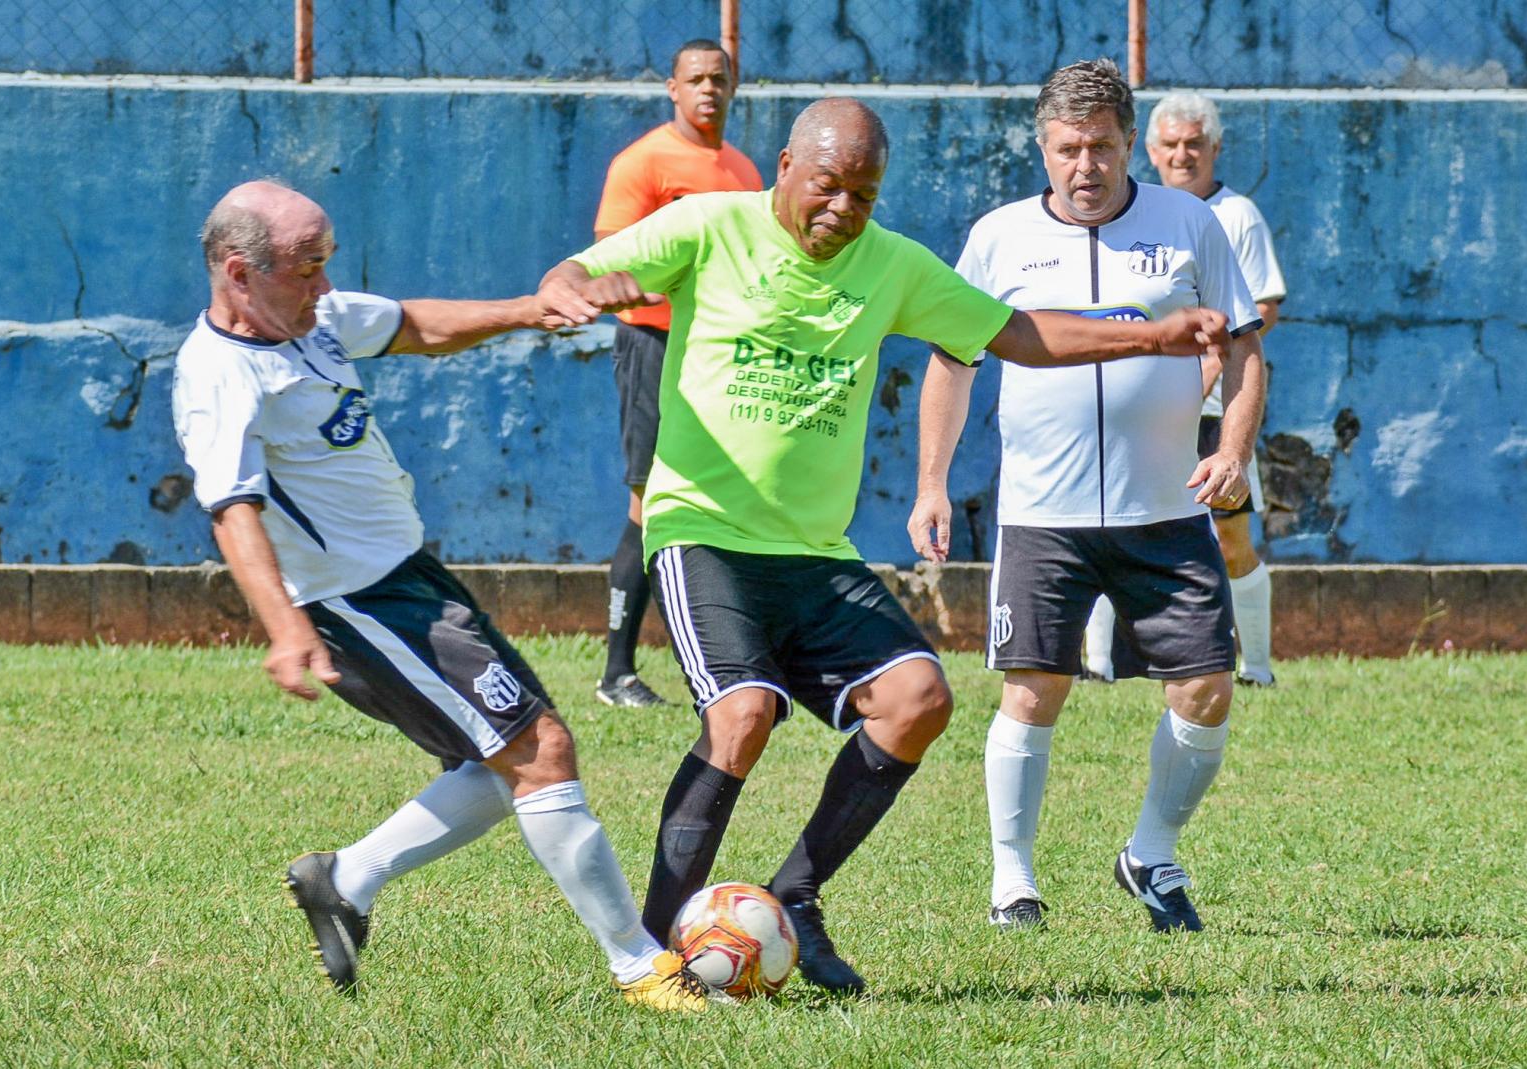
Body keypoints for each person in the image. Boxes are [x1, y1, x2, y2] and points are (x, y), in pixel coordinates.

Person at [537, 97, 1230, 993]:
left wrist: (1156, 332)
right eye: (827, 187)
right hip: (703, 529)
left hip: (816, 551)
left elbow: (1015, 333)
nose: (842, 211)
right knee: (742, 716)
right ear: (785, 163)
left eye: (863, 196)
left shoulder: (892, 263)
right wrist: (568, 291)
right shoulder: (708, 228)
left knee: (918, 698)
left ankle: (797, 897)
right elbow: (577, 270)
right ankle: (652, 955)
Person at [170, 179, 709, 1011]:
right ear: (240, 274)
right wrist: (284, 626)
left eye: (326, 264)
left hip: (410, 580)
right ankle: (640, 964)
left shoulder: (309, 320)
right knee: (539, 750)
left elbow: (414, 325)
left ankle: (345, 880)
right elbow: (232, 509)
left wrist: (535, 308)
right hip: (356, 604)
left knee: (498, 759)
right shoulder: (220, 375)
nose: (324, 285)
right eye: (307, 269)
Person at [906, 60, 1267, 935]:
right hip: (1043, 515)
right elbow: (954, 362)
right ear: (1042, 146)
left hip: (1166, 510)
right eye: (1068, 148)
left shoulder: (1191, 224)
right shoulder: (997, 238)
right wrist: (932, 483)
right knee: (1033, 692)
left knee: (1209, 687)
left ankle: (1151, 851)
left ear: (1129, 142)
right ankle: (1011, 878)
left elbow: (1248, 350)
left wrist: (1231, 448)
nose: (1086, 165)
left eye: (1102, 146)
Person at [1084, 90, 1287, 687]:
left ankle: (1258, 668)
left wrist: (1209, 350)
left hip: (1212, 409)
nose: (1182, 155)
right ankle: (1097, 666)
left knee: (1228, 533)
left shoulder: (1237, 215)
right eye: (1169, 145)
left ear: (1215, 149)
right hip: (1139, 405)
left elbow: (1263, 306)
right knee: (1103, 522)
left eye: (1194, 144)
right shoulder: (1131, 214)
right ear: (1146, 150)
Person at [592, 38, 763, 709]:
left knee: (714, 503)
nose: (708, 91)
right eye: (695, 80)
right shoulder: (643, 163)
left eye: (719, 80)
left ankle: (723, 658)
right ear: (672, 89)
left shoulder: (744, 171)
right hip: (652, 347)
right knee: (647, 501)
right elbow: (611, 261)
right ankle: (615, 672)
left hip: (717, 355)